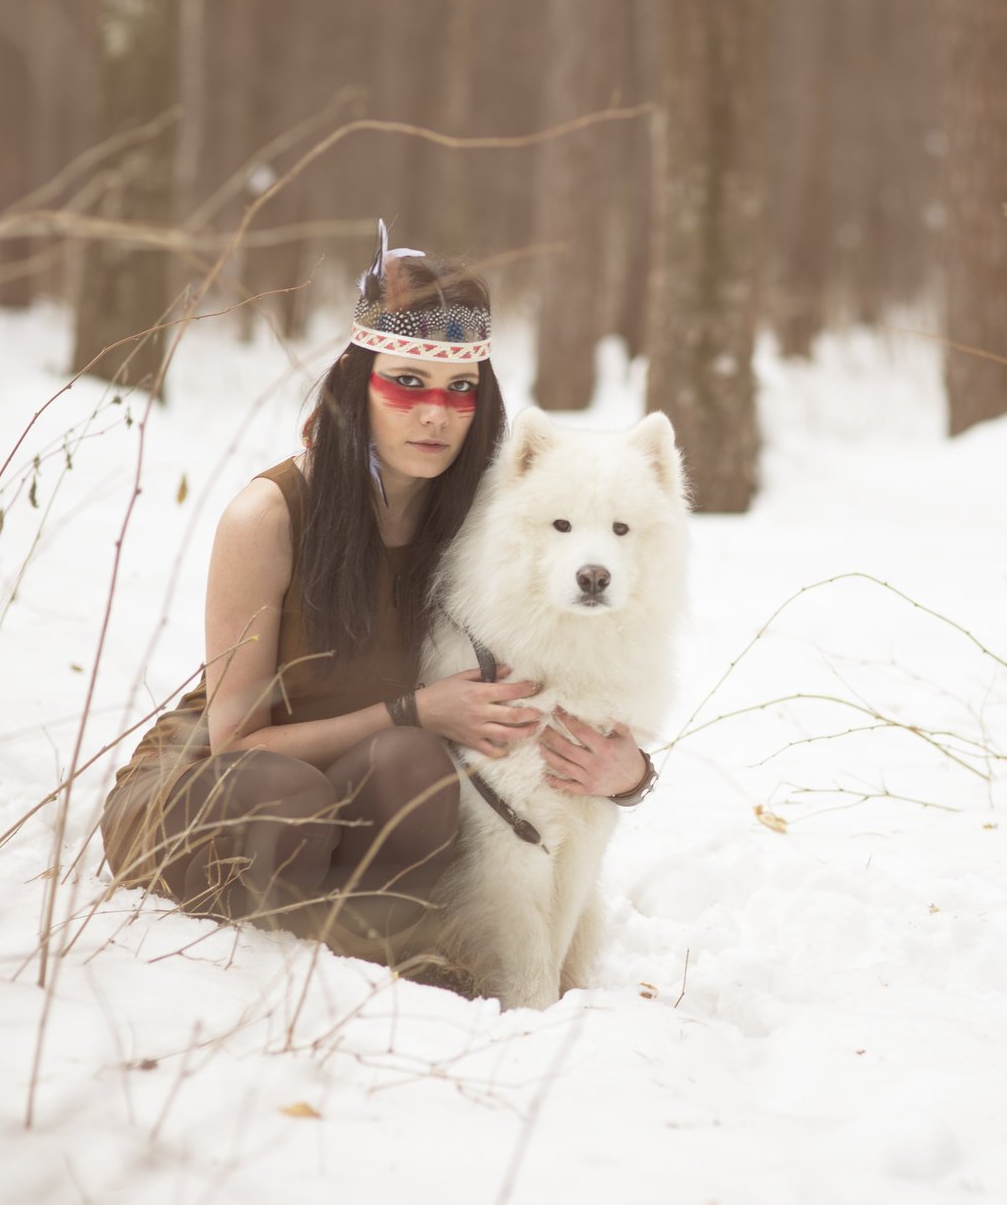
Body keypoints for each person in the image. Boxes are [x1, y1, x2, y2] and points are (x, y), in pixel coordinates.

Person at [99, 224, 654, 963]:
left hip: (367, 792)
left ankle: (355, 953)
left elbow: (574, 664)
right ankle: (269, 968)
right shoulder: (267, 516)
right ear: (359, 386)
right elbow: (237, 741)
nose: (435, 414)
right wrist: (415, 710)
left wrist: (631, 772)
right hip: (223, 790)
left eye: (461, 390)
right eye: (408, 384)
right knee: (292, 795)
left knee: (414, 769)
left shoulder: (484, 521)